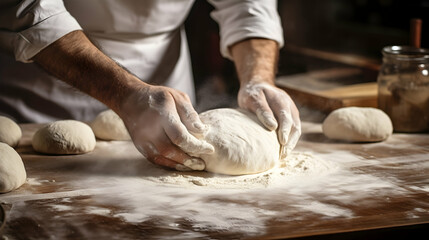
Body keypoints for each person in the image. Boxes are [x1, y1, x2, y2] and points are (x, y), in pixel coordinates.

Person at [0, 0, 301, 171]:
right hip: (43, 80)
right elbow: (31, 14)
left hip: (165, 85)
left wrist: (257, 77)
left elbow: (247, 5)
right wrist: (124, 93)